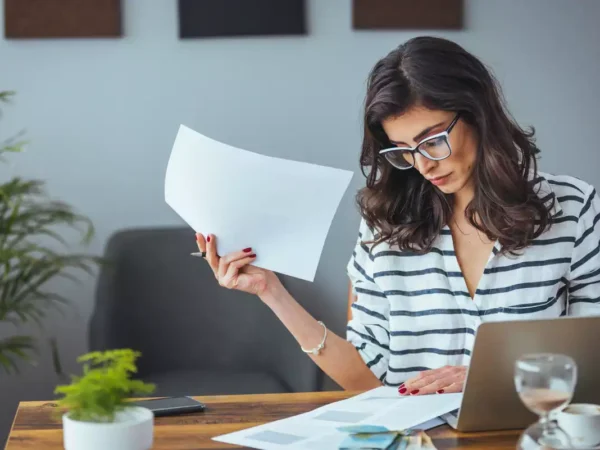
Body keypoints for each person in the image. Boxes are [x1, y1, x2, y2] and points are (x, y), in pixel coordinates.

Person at [194, 36, 600, 395]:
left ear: (478, 113)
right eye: (403, 149)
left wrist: (492, 379)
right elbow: (367, 378)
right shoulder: (386, 224)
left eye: (433, 140)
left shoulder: (572, 209)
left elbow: (593, 361)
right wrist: (271, 291)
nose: (422, 164)